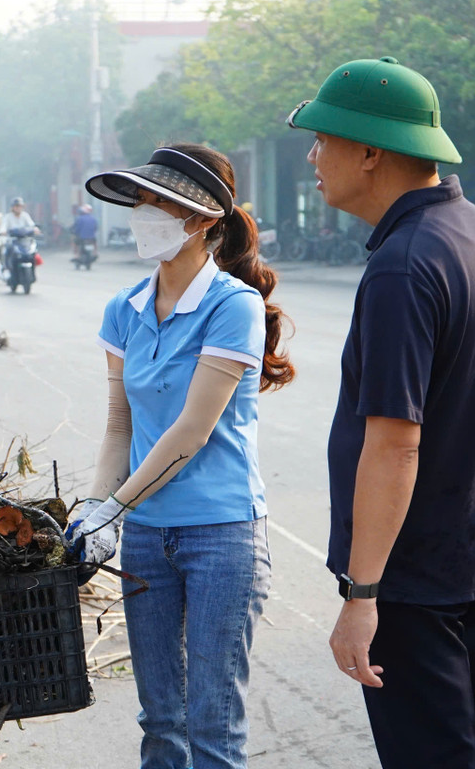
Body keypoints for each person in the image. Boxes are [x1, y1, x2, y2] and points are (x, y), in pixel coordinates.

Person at [286, 57, 475, 768]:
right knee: (473, 748)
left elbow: (394, 444)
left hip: (414, 577)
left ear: (369, 151)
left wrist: (362, 595)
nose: (312, 155)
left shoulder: (404, 264)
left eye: (324, 138)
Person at [66, 144, 294, 769]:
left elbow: (191, 432)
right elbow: (120, 423)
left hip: (222, 535)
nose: (145, 214)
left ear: (202, 221)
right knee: (161, 721)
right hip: (146, 537)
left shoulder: (232, 306)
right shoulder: (125, 307)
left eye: (162, 204)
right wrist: (94, 507)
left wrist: (113, 505)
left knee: (212, 724)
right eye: (142, 201)